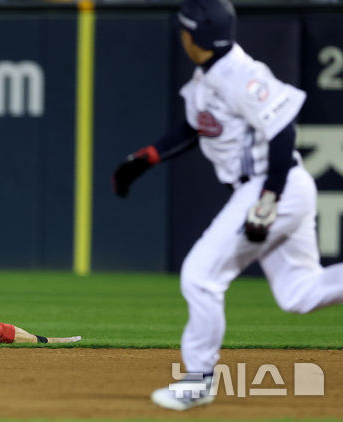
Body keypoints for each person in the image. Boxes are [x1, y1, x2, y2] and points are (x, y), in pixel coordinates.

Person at [111, 0, 343, 411]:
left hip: (272, 186)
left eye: (185, 31)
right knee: (299, 293)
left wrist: (268, 200)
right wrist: (145, 159)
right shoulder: (208, 76)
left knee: (200, 276)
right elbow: (195, 128)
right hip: (274, 187)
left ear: (197, 36)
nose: (182, 37)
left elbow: (282, 130)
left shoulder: (240, 73)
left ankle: (199, 379)